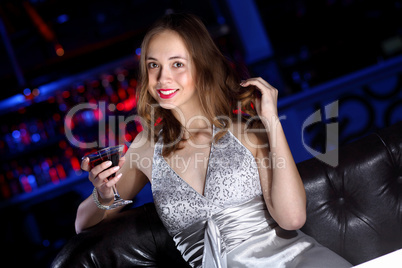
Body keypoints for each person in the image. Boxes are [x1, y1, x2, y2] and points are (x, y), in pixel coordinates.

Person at [76, 12, 352, 268]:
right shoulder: (145, 147)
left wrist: (270, 122)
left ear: (201, 66)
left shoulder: (245, 131)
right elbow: (82, 222)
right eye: (153, 66)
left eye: (177, 64)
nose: (162, 78)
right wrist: (103, 195)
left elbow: (292, 219)